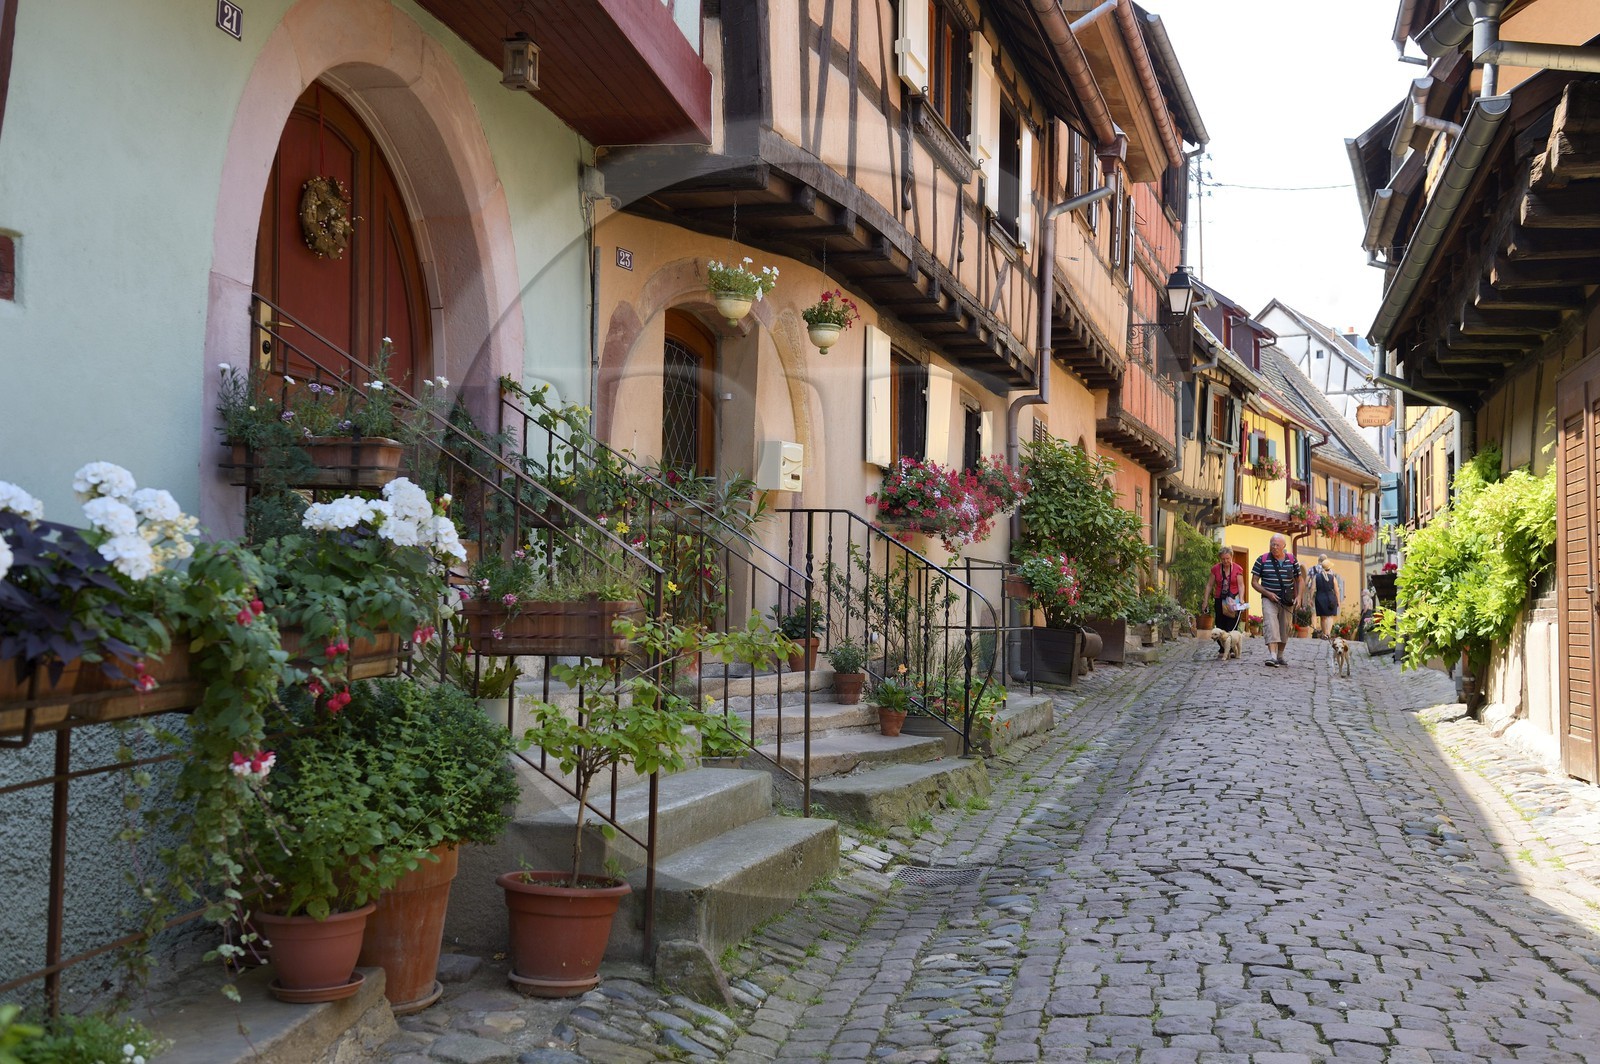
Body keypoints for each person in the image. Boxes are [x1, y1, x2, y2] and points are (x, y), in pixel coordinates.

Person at [1251, 534, 1303, 668]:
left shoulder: (1292, 560)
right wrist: (1267, 593)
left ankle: (1280, 655)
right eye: (1272, 544)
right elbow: (1254, 582)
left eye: (1277, 545)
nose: (1274, 547)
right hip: (1269, 599)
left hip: (1287, 600)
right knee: (1270, 624)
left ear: (1284, 546)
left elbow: (1299, 580)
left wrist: (1299, 597)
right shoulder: (1262, 560)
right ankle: (1272, 656)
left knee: (1284, 628)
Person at [1204, 546, 1245, 657]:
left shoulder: (1238, 569)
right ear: (1220, 559)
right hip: (1219, 598)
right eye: (1223, 559)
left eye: (1227, 558)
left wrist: (1241, 598)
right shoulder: (1215, 569)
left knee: (1232, 624)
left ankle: (1231, 649)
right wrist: (1205, 601)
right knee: (1220, 624)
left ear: (1232, 557)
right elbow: (1209, 585)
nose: (1225, 561)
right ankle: (1222, 648)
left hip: (1233, 600)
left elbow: (1241, 585)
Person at [1307, 554, 1343, 640]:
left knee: (1322, 617)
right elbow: (1337, 590)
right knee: (1330, 616)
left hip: (1320, 597)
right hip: (1330, 597)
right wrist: (1338, 600)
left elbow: (1312, 588)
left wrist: (1310, 598)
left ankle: (1324, 633)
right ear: (1329, 568)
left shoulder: (1317, 576)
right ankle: (1328, 633)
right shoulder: (1332, 577)